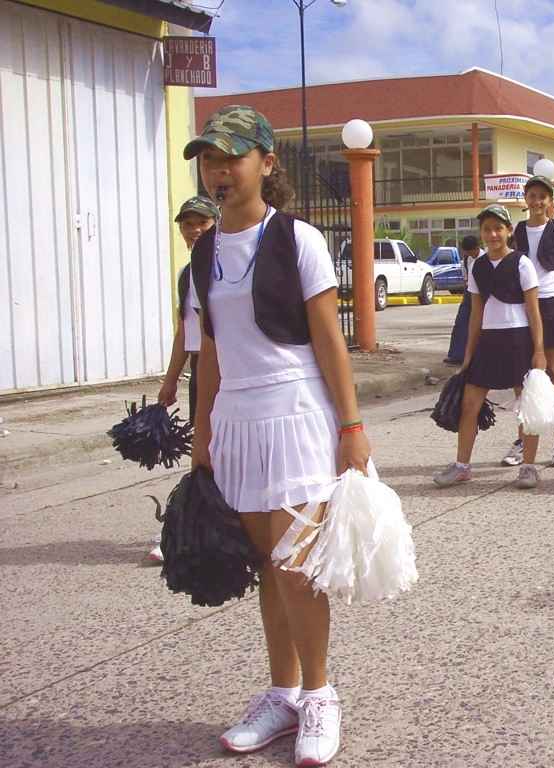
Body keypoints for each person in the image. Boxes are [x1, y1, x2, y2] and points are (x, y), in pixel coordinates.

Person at [187, 105, 370, 764]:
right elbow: (210, 351)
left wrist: (351, 425)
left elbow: (329, 340)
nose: (219, 171)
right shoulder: (203, 251)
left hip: (297, 413)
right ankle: (283, 694)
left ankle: (320, 695)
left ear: (266, 163)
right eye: (210, 159)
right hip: (237, 421)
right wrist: (202, 431)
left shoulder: (298, 240)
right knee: (269, 568)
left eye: (231, 157)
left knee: (296, 568)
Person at [434, 204, 547, 490]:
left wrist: (539, 350)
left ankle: (528, 467)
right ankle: (462, 466)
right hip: (488, 341)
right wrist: (468, 354)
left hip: (519, 340)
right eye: (487, 229)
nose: (493, 234)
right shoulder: (478, 266)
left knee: (526, 405)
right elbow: (475, 314)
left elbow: (534, 311)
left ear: (508, 231)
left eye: (498, 228)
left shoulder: (522, 263)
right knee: (469, 404)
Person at [150, 195, 219, 564]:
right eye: (187, 224)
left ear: (216, 224)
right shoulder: (186, 274)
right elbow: (185, 330)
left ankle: (200, 530)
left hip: (227, 371)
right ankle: (197, 531)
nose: (194, 230)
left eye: (202, 223)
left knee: (218, 453)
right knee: (205, 453)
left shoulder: (225, 267)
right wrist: (170, 379)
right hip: (200, 370)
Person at [502, 175, 554, 469]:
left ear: (549, 201)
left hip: (550, 303)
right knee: (521, 377)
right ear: (526, 199)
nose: (536, 201)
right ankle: (523, 440)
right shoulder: (517, 230)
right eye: (532, 196)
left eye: (542, 197)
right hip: (522, 304)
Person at [444, 235, 482, 365]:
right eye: (467, 252)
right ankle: (456, 355)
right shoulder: (466, 260)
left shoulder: (486, 258)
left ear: (477, 248)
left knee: (482, 327)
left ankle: (478, 357)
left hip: (483, 295)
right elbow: (466, 280)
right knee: (461, 323)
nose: (469, 254)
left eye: (471, 252)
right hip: (469, 294)